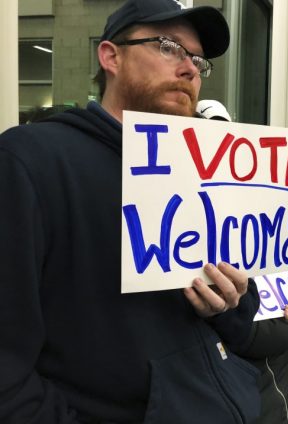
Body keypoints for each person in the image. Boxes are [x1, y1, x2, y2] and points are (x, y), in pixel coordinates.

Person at [0, 1, 263, 422]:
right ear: (111, 57)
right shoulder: (31, 162)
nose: (190, 69)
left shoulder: (204, 171)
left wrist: (226, 305)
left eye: (197, 59)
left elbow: (242, 322)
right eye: (168, 46)